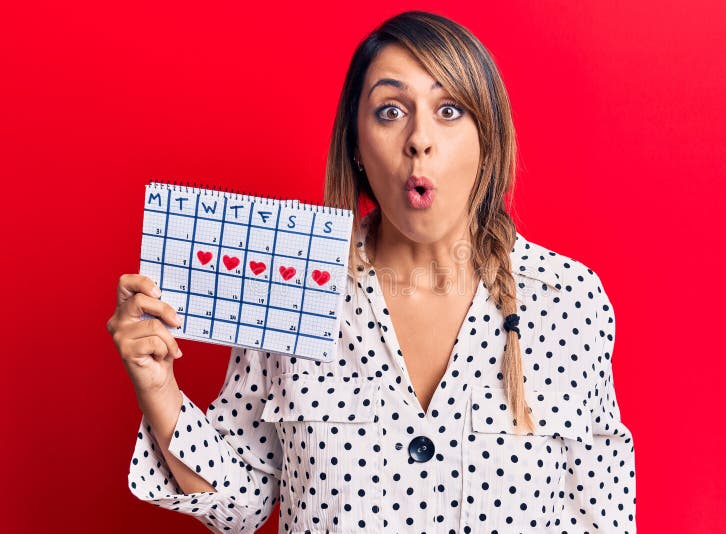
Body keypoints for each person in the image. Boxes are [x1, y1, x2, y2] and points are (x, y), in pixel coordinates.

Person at [107, 10, 636, 533]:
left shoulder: (568, 300)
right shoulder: (292, 283)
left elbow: (602, 517)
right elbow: (241, 505)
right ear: (357, 146)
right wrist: (158, 387)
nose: (419, 139)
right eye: (390, 111)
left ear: (487, 138)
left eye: (449, 110)